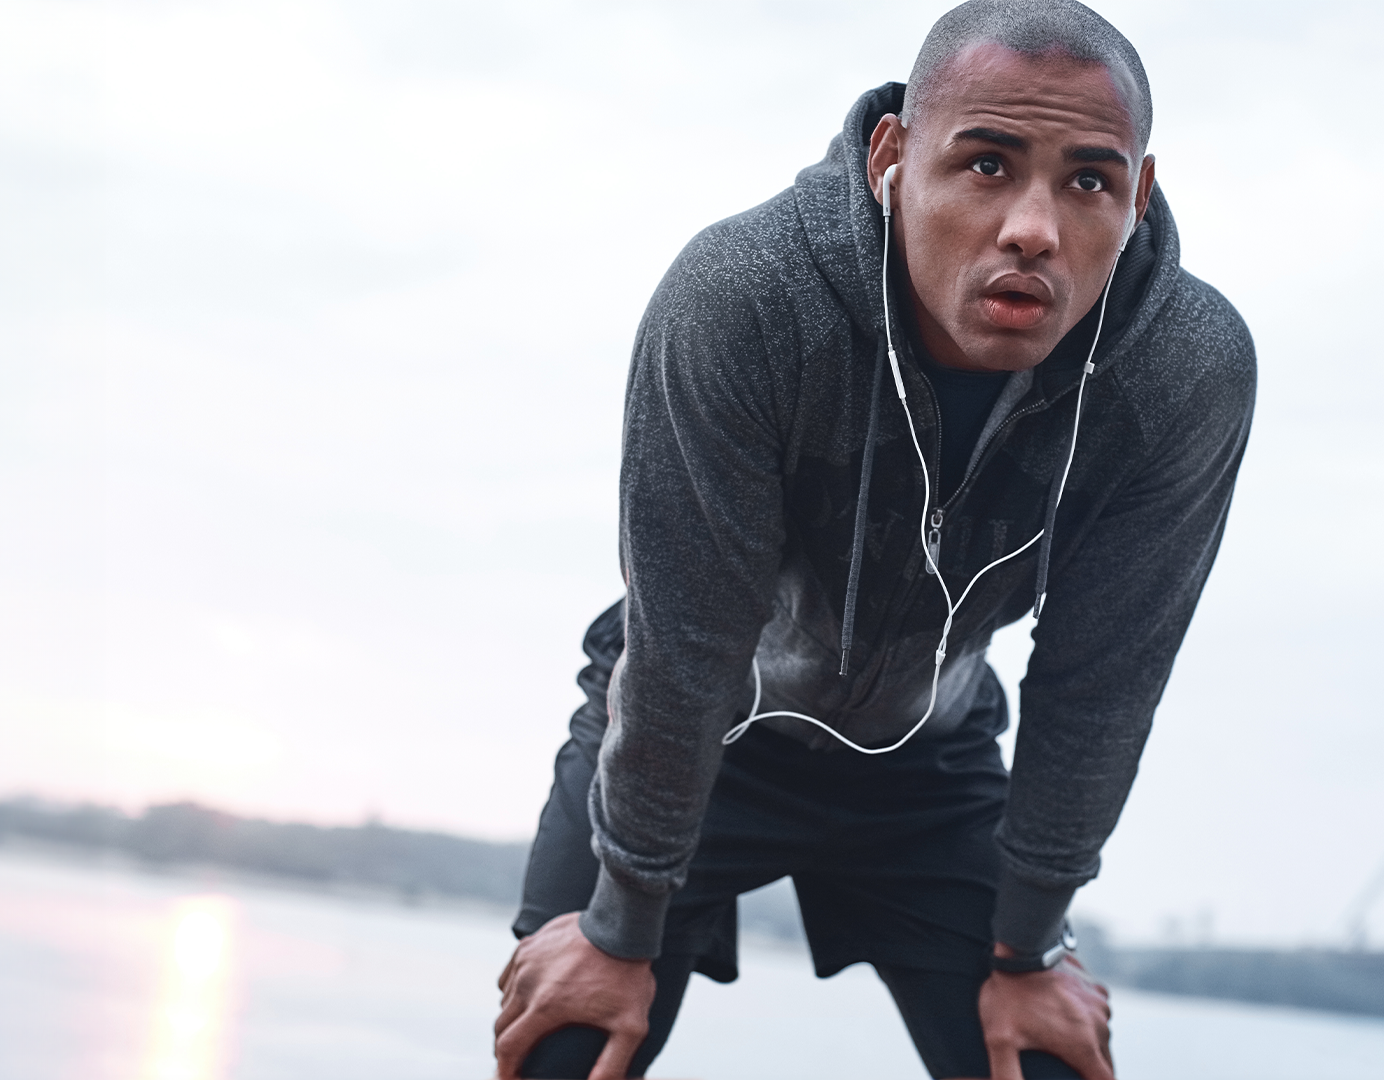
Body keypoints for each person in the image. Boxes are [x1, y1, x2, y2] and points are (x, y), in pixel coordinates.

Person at [494, 1, 1255, 1077]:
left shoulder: (1180, 371)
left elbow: (1104, 676)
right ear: (893, 157)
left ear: (1139, 196)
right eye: (987, 164)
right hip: (702, 733)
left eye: (1090, 181)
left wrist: (1032, 939)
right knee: (568, 1044)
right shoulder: (746, 299)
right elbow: (688, 641)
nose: (1035, 227)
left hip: (932, 764)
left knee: (1042, 1062)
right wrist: (620, 920)